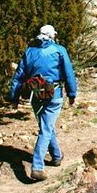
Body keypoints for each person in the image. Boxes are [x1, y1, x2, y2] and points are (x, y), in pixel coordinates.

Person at [9, 24, 77, 181]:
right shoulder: (59, 50)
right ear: (52, 36)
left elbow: (19, 76)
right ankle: (37, 167)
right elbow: (68, 73)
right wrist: (72, 93)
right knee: (46, 128)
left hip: (35, 96)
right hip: (55, 94)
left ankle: (57, 156)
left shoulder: (29, 52)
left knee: (46, 125)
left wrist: (14, 97)